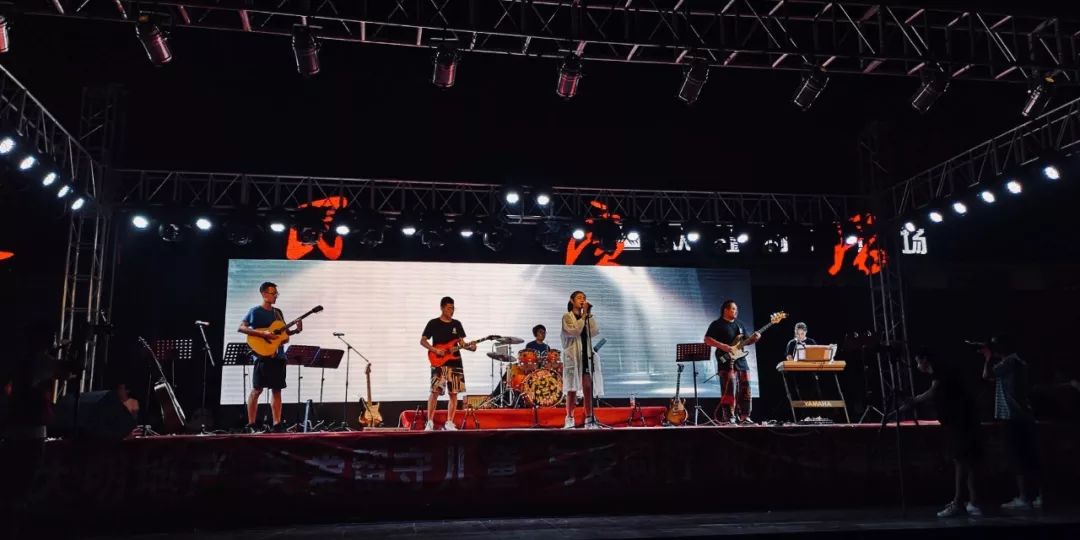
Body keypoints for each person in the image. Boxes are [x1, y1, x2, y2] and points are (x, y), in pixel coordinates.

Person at [902, 348, 983, 518]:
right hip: (961, 421)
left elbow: (933, 392)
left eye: (917, 361)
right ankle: (973, 501)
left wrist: (913, 401)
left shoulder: (942, 372)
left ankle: (959, 503)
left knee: (961, 460)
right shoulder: (942, 372)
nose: (917, 366)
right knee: (966, 461)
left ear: (925, 359)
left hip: (961, 422)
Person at [980, 336, 1042, 510]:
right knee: (1028, 457)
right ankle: (1037, 495)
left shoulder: (1009, 362)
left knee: (1018, 457)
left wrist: (987, 357)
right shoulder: (1017, 361)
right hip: (1021, 416)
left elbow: (986, 375)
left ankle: (1024, 498)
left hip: (1012, 416)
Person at [237, 281, 302, 433]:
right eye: (273, 293)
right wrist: (262, 334)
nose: (276, 296)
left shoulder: (278, 312)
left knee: (277, 390)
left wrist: (296, 331)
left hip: (278, 356)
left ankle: (277, 424)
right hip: (262, 356)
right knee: (257, 390)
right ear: (264, 294)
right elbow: (241, 327)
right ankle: (251, 424)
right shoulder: (255, 311)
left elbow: (283, 335)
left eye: (276, 294)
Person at [420, 296, 476, 431]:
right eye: (449, 308)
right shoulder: (433, 323)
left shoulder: (457, 324)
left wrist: (471, 347)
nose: (452, 311)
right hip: (439, 363)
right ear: (442, 308)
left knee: (454, 393)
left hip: (455, 362)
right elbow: (423, 341)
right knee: (435, 391)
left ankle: (449, 422)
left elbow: (462, 344)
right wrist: (435, 350)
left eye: (453, 308)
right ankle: (430, 422)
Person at [704, 300, 760, 424]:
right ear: (726, 310)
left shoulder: (739, 324)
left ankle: (745, 416)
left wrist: (755, 339)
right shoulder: (717, 324)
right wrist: (722, 346)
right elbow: (707, 340)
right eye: (733, 309)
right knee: (729, 389)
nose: (736, 311)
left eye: (736, 309)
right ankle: (729, 417)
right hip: (725, 361)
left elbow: (747, 341)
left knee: (746, 389)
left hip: (741, 361)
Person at [561, 291, 603, 429]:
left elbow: (594, 331)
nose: (582, 300)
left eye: (584, 298)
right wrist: (584, 316)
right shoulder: (567, 317)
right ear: (572, 300)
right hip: (573, 357)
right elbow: (574, 331)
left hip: (586, 355)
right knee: (572, 389)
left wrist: (588, 314)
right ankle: (569, 418)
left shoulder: (586, 317)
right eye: (579, 297)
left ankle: (589, 419)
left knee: (588, 387)